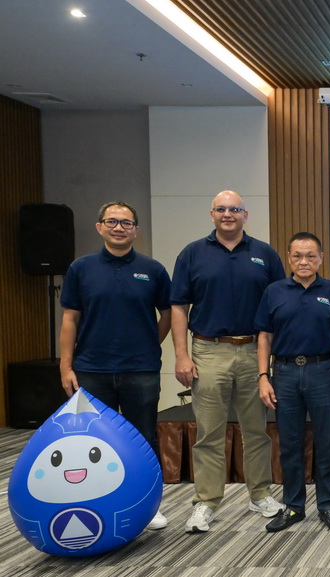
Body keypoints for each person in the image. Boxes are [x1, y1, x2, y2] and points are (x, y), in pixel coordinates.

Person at [171, 190, 286, 533]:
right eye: (221, 209)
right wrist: (181, 355)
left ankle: (260, 494)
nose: (227, 214)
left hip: (254, 352)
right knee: (209, 432)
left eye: (234, 209)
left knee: (257, 431)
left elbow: (280, 304)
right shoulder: (192, 253)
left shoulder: (265, 254)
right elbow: (179, 306)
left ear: (245, 215)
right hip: (208, 351)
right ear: (212, 214)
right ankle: (206, 502)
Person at [59, 201, 171, 530]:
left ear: (136, 230)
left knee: (144, 439)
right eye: (112, 221)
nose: (119, 228)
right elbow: (70, 319)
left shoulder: (153, 270)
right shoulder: (81, 268)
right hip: (91, 370)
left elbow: (168, 314)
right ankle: (96, 504)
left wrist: (150, 343)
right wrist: (66, 366)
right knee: (92, 442)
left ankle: (149, 506)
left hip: (141, 370)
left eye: (126, 223)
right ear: (100, 227)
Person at [256, 232, 330, 532]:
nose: (304, 261)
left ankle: (328, 504)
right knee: (290, 443)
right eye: (297, 256)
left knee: (326, 441)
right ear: (289, 258)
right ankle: (294, 506)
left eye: (310, 256)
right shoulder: (274, 291)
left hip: (324, 370)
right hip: (284, 373)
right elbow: (265, 336)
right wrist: (263, 377)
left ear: (321, 258)